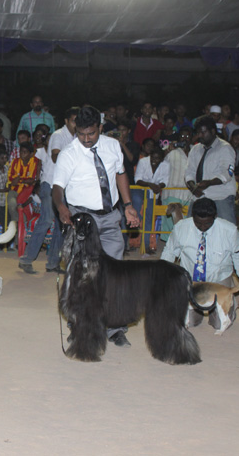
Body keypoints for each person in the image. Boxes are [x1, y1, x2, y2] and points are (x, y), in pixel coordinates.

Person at [52, 105, 140, 347]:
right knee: (82, 276)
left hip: (110, 217)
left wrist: (128, 205)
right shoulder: (69, 154)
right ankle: (79, 324)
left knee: (114, 276)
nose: (86, 139)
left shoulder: (112, 146)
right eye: (81, 134)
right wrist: (61, 206)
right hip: (82, 220)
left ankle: (115, 328)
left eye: (91, 133)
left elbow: (120, 174)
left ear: (100, 127)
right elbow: (57, 187)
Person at [161, 197, 239, 329]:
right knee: (189, 321)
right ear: (192, 216)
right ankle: (195, 310)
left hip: (219, 280)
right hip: (191, 282)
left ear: (215, 217)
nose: (203, 227)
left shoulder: (230, 231)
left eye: (207, 223)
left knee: (220, 323)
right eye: (198, 223)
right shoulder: (181, 228)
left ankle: (226, 307)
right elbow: (169, 253)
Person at [18, 123, 64, 274]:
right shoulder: (46, 149)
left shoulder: (65, 143)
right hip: (49, 185)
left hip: (60, 187)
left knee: (60, 225)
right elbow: (41, 167)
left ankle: (53, 263)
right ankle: (26, 259)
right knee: (46, 220)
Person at [185, 116, 237, 224]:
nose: (200, 135)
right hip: (199, 196)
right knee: (190, 227)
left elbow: (227, 173)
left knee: (226, 229)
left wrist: (209, 183)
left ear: (213, 131)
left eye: (203, 132)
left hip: (221, 196)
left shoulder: (225, 148)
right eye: (198, 133)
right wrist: (192, 186)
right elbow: (189, 171)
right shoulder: (195, 149)